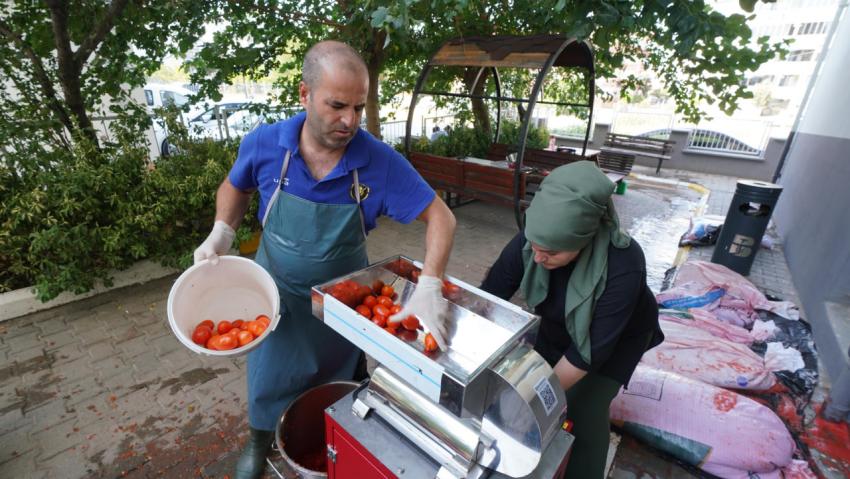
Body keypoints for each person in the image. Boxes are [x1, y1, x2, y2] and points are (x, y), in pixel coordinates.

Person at [193, 40, 456, 479]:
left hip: (341, 308)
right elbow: (234, 186)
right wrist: (222, 230)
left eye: (358, 107)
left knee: (336, 387)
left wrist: (429, 284)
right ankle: (258, 442)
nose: (350, 121)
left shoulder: (377, 161)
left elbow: (442, 219)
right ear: (304, 95)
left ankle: (333, 442)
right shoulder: (266, 144)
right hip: (276, 302)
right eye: (337, 105)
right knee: (267, 382)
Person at [480, 161, 662, 479]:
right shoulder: (533, 240)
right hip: (557, 323)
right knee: (537, 389)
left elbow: (586, 353)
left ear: (584, 237)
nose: (537, 258)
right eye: (534, 246)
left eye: (550, 252)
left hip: (618, 340)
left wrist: (532, 402)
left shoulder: (624, 263)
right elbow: (490, 296)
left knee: (581, 409)